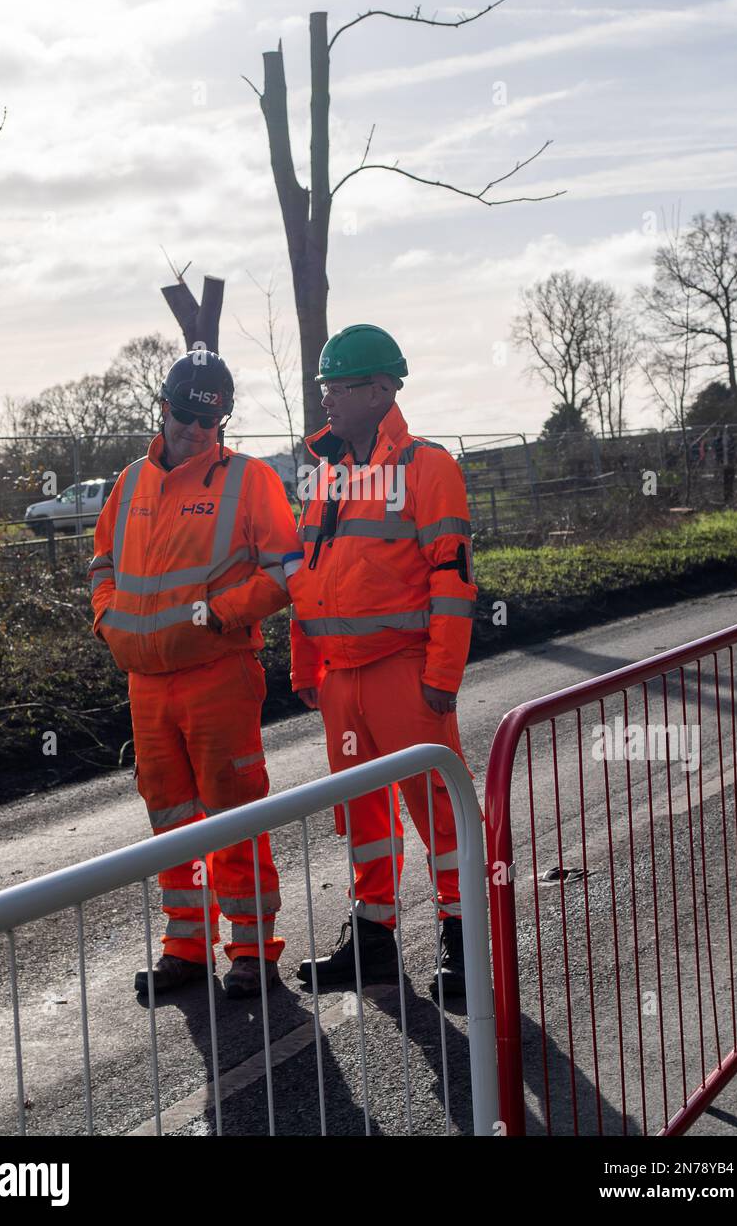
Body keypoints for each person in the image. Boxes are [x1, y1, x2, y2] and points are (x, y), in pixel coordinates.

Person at [88, 349, 302, 998]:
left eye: (208, 424)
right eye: (184, 418)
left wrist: (217, 617)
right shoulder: (129, 483)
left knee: (231, 811)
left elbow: (286, 572)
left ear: (223, 423)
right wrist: (109, 623)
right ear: (164, 409)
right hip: (146, 684)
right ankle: (184, 946)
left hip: (218, 674)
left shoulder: (248, 480)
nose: (194, 433)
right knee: (170, 817)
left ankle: (252, 952)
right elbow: (102, 565)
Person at [288, 324, 478, 995]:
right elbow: (307, 576)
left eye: (339, 385)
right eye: (325, 386)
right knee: (360, 814)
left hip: (405, 670)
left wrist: (441, 678)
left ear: (381, 388)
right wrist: (303, 666)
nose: (327, 399)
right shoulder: (328, 475)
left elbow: (451, 578)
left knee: (440, 813)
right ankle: (371, 940)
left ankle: (465, 945)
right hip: (340, 679)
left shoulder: (428, 468)